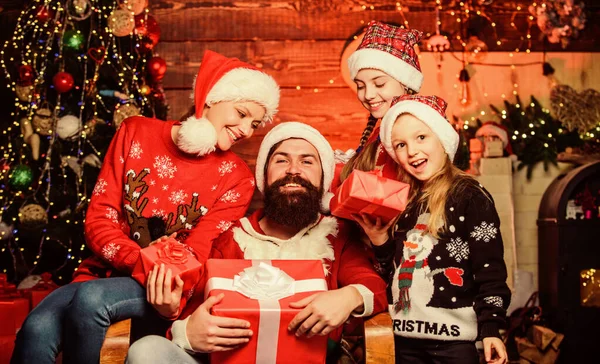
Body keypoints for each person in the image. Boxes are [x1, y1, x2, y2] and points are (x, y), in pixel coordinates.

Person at [11, 50, 281, 364]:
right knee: (37, 326)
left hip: (167, 292)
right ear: (211, 97)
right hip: (105, 274)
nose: (247, 130)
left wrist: (164, 280)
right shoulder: (135, 131)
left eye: (256, 124)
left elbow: (197, 253)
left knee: (92, 300)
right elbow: (100, 219)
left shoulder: (237, 178)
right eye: (242, 113)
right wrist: (146, 264)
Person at [126, 122, 388, 363]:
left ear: (323, 178)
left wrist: (348, 296)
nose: (293, 170)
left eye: (307, 162)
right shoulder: (228, 237)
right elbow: (191, 310)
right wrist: (187, 333)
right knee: (147, 349)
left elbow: (373, 287)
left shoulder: (339, 234)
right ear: (264, 177)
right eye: (281, 160)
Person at [355, 95, 510, 364]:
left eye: (421, 138)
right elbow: (397, 274)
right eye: (400, 144)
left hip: (454, 344)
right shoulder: (404, 200)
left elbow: (490, 269)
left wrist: (491, 328)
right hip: (404, 340)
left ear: (442, 139)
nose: (411, 151)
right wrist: (381, 243)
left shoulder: (469, 196)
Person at [333, 21, 424, 190]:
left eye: (380, 84)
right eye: (360, 86)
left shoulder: (414, 130)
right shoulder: (380, 131)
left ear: (405, 84)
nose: (367, 95)